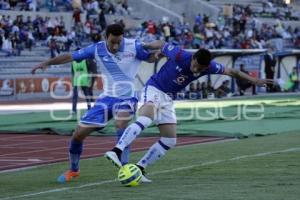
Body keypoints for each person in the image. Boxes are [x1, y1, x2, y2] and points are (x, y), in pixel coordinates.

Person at [105, 42, 274, 182]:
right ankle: (116, 150)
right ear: (192, 58)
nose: (196, 70)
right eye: (195, 65)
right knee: (146, 119)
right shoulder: (180, 55)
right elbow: (162, 45)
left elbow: (233, 72)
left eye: (200, 68)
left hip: (168, 98)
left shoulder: (209, 67)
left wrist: (256, 80)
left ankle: (140, 168)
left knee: (169, 140)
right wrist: (150, 48)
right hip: (154, 88)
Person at [31, 24, 157, 183]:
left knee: (121, 124)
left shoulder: (134, 46)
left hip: (128, 97)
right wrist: (48, 62)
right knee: (78, 134)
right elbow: (70, 56)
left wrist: (159, 54)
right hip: (106, 99)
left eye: (119, 42)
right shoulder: (96, 49)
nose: (116, 46)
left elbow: (150, 57)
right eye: (112, 42)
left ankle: (126, 168)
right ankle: (74, 170)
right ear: (106, 37)